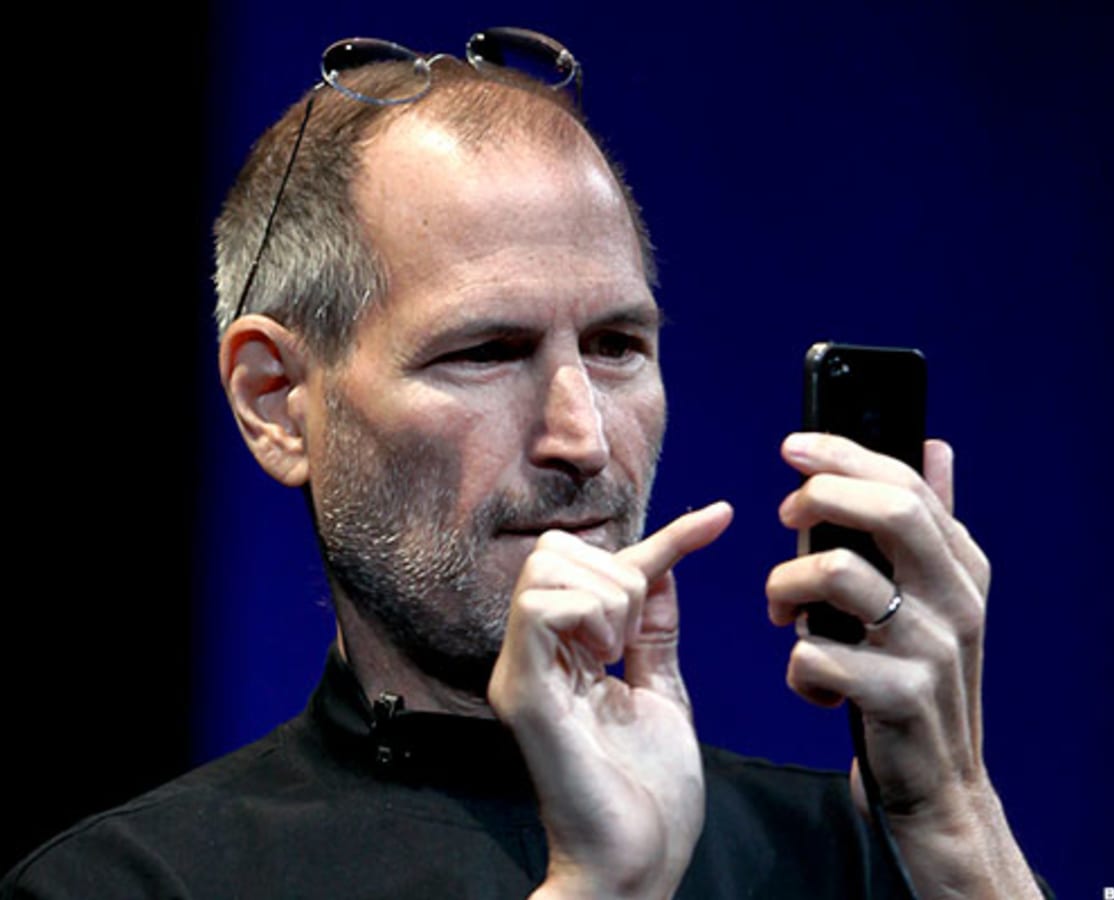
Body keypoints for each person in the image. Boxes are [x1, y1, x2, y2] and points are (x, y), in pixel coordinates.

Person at [3, 29, 1049, 899]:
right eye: (487, 352)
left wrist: (956, 818)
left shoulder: (855, 856)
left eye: (616, 346)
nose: (582, 439)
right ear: (277, 403)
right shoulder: (128, 885)